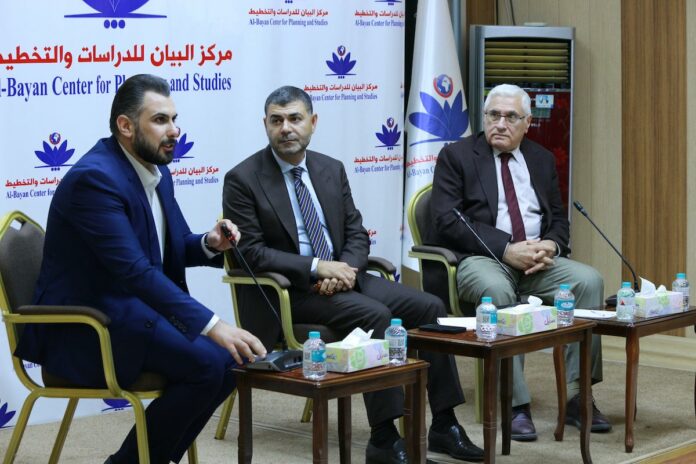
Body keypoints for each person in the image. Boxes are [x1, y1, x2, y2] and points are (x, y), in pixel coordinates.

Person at [223, 86, 484, 463]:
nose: (286, 128)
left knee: (430, 307)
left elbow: (356, 232)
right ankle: (384, 438)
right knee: (376, 317)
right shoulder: (243, 178)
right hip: (290, 293)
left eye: (295, 118)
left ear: (313, 122)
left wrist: (344, 268)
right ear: (265, 124)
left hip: (346, 279)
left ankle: (444, 423)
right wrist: (317, 267)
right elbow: (250, 253)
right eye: (276, 120)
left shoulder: (330, 168)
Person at [14, 74, 266, 464]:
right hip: (87, 329)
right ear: (126, 126)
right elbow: (135, 271)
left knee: (229, 362)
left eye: (174, 119)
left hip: (130, 313)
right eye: (160, 120)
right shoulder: (94, 180)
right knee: (209, 363)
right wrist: (214, 325)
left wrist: (209, 242)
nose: (174, 131)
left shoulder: (156, 171)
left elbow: (168, 248)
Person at [427, 83, 611, 441]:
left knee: (589, 280)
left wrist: (551, 246)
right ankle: (514, 404)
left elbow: (558, 218)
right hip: (481, 259)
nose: (500, 123)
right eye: (493, 115)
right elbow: (447, 220)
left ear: (528, 123)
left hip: (536, 262)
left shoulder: (541, 159)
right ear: (484, 117)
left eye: (511, 117)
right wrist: (506, 249)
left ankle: (578, 395)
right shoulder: (456, 156)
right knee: (497, 290)